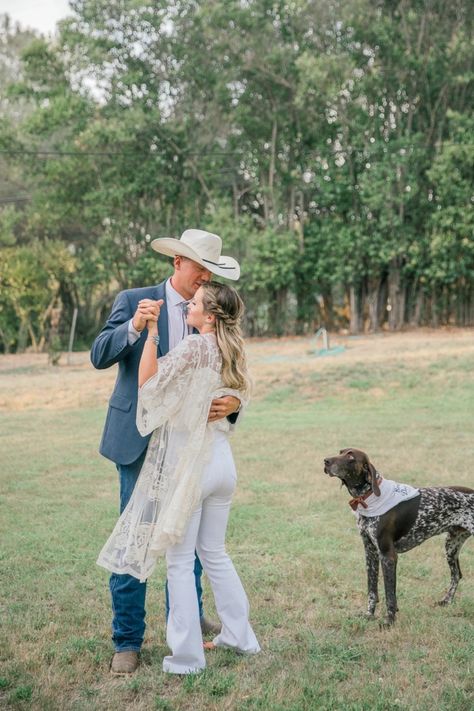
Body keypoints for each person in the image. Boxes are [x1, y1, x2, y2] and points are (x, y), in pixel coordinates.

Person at [91, 229, 242, 674]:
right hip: (138, 443)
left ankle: (190, 620)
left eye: (211, 273)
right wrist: (134, 327)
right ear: (178, 262)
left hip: (189, 446)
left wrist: (235, 404)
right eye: (200, 269)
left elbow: (229, 368)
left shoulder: (211, 309)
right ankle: (128, 639)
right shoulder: (134, 299)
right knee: (135, 536)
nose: (204, 280)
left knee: (188, 540)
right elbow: (99, 355)